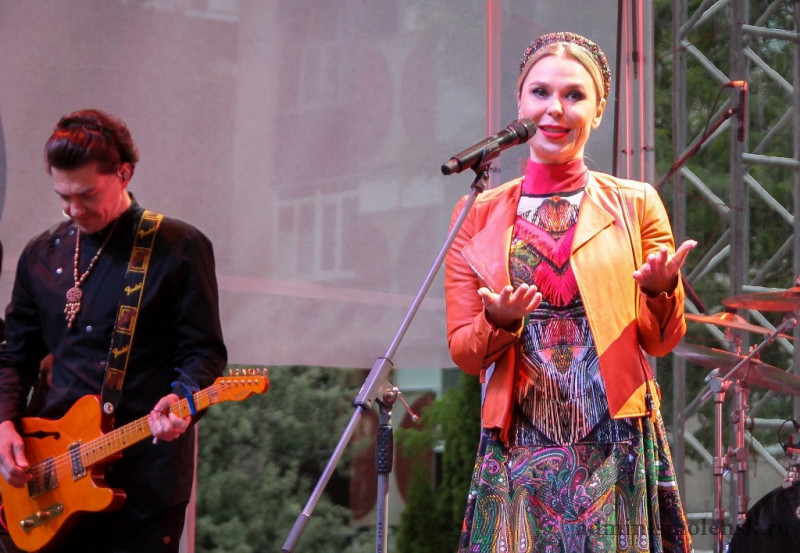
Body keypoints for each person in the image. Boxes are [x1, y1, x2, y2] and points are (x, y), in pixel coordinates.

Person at [445, 32, 697, 552]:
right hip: (519, 442)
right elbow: (465, 353)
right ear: (520, 103)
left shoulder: (636, 204)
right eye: (540, 92)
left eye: (574, 95)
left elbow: (661, 341)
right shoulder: (478, 214)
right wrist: (498, 321)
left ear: (598, 111)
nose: (555, 109)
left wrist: (660, 291)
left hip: (615, 441)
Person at [0, 108, 227, 552]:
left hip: (143, 481)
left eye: (86, 194)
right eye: (63, 197)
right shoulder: (41, 254)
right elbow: (14, 356)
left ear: (124, 173)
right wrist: (5, 422)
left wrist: (182, 400)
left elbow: (203, 353)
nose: (74, 209)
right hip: (52, 475)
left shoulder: (177, 248)